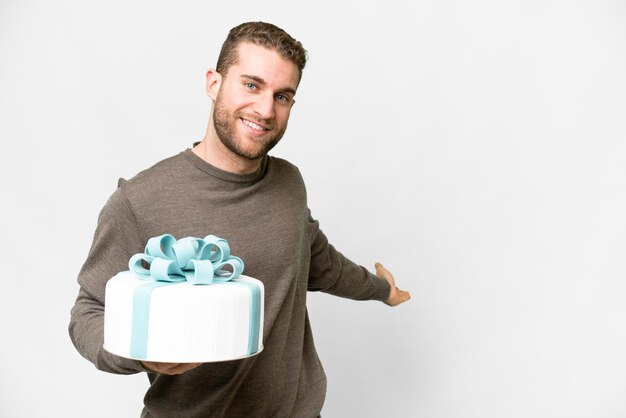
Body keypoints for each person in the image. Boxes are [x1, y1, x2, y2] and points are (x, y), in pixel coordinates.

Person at [69, 21, 411, 417]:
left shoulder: (289, 182)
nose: (266, 110)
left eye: (282, 96)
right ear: (214, 83)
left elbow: (318, 262)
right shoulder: (138, 199)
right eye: (251, 85)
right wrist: (143, 357)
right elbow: (88, 313)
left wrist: (381, 289)